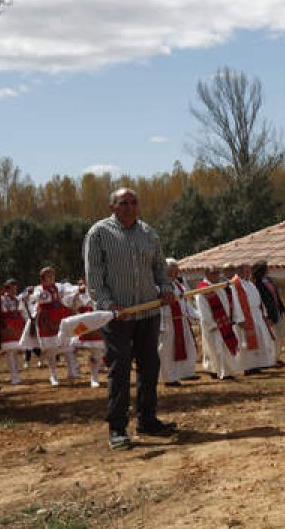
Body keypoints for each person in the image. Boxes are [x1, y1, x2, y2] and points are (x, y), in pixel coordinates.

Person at [84, 187, 178, 450]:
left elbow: (160, 268)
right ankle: (117, 428)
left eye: (133, 202)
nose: (129, 207)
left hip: (148, 312)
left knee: (150, 367)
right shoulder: (99, 234)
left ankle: (147, 420)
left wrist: (167, 289)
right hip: (117, 316)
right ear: (112, 206)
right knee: (120, 369)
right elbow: (94, 276)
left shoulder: (148, 233)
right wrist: (107, 305)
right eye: (123, 203)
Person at [27, 267, 81, 385]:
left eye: (52, 275)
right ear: (43, 278)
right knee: (51, 349)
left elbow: (70, 289)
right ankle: (53, 375)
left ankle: (72, 371)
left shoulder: (59, 286)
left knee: (67, 345)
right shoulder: (39, 289)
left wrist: (79, 288)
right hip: (47, 320)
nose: (51, 277)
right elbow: (33, 297)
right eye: (48, 275)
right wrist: (31, 294)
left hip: (61, 316)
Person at [195, 265, 243, 381]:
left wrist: (230, 319)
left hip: (225, 323)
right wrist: (212, 324)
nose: (217, 275)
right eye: (214, 273)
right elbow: (203, 309)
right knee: (214, 349)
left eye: (218, 272)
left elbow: (228, 303)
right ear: (206, 274)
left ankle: (227, 371)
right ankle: (215, 370)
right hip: (213, 325)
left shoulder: (221, 286)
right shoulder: (202, 289)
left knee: (225, 348)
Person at [230, 263, 277, 374]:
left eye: (249, 271)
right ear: (239, 271)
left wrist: (264, 313)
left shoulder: (250, 284)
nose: (248, 273)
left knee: (260, 340)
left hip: (256, 315)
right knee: (246, 342)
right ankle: (247, 367)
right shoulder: (235, 284)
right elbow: (235, 303)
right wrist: (240, 318)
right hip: (245, 316)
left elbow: (258, 299)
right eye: (246, 271)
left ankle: (256, 364)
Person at [159, 259, 199, 386]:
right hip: (168, 322)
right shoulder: (159, 285)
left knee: (188, 346)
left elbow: (185, 302)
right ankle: (169, 378)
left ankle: (185, 372)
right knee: (168, 351)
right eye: (172, 270)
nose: (175, 273)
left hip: (182, 321)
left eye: (176, 270)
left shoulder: (178, 284)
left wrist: (195, 315)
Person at [70, 279, 107, 387]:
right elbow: (72, 309)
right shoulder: (77, 294)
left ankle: (94, 376)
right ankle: (85, 373)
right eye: (81, 283)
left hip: (97, 325)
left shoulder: (99, 292)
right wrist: (76, 295)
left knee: (97, 352)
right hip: (83, 326)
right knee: (70, 347)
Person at [252, 261, 285, 363]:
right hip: (269, 314)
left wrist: (281, 307)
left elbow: (275, 295)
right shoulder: (257, 284)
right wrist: (265, 316)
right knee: (273, 336)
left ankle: (276, 357)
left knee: (280, 334)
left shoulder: (269, 280)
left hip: (277, 311)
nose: (268, 270)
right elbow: (261, 301)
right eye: (266, 268)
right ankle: (271, 359)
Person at [0, 280, 29, 385]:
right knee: (10, 351)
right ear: (7, 288)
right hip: (8, 326)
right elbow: (2, 312)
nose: (14, 290)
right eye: (12, 288)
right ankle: (14, 376)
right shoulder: (2, 299)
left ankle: (16, 375)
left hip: (17, 325)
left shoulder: (16, 299)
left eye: (15, 288)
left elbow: (21, 311)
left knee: (15, 351)